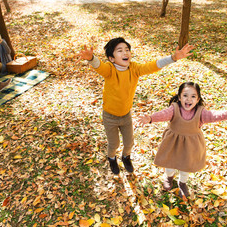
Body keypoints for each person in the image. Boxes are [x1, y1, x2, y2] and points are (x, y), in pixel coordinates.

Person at [78, 37, 194, 175]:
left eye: (127, 50)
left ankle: (126, 157)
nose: (125, 53)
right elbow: (100, 66)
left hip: (126, 115)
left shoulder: (134, 68)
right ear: (112, 58)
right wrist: (91, 59)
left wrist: (173, 57)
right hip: (110, 116)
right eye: (119, 51)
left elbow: (152, 65)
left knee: (129, 143)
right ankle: (111, 158)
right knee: (113, 144)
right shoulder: (109, 69)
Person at [138, 82, 227, 197]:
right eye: (185, 95)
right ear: (179, 97)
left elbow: (214, 115)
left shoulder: (201, 112)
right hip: (172, 142)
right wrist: (150, 118)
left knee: (186, 165)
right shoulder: (174, 109)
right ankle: (169, 177)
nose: (188, 99)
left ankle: (182, 183)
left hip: (190, 145)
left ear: (198, 99)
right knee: (169, 163)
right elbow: (163, 114)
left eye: (193, 96)